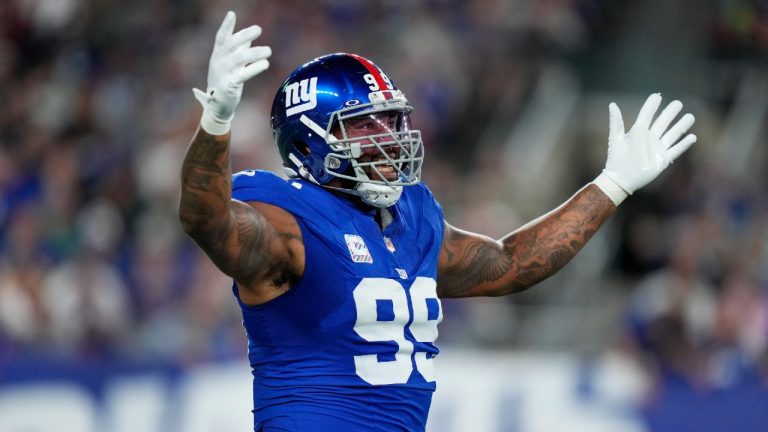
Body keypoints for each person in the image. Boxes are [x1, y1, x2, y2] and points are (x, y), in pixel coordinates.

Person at [179, 11, 697, 432]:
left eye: (392, 119)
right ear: (309, 142)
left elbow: (510, 263)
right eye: (363, 125)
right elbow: (208, 220)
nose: (388, 136)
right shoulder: (285, 217)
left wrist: (611, 185)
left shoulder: (411, 216)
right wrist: (217, 120)